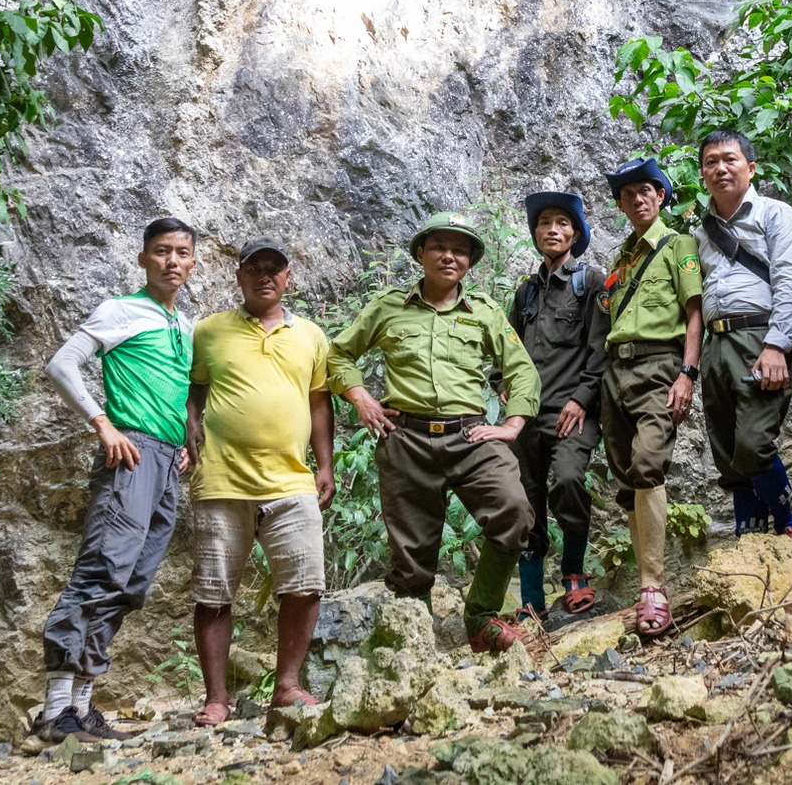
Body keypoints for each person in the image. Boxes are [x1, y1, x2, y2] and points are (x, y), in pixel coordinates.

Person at [327, 211, 543, 653]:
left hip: (471, 437)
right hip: (406, 439)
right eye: (440, 247)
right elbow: (338, 355)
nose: (450, 256)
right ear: (421, 254)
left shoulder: (482, 311)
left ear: (470, 261)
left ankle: (481, 617)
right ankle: (417, 645)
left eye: (460, 250)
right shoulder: (388, 307)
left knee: (514, 511)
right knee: (412, 555)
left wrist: (512, 425)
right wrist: (362, 399)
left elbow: (522, 371)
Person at [37, 218, 201, 743]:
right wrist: (103, 424)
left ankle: (83, 706)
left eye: (181, 253)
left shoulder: (185, 325)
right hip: (129, 451)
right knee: (101, 570)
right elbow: (62, 364)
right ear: (142, 259)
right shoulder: (120, 310)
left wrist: (183, 445)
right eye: (160, 251)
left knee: (132, 584)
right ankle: (54, 708)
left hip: (166, 462)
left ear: (193, 263)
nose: (171, 261)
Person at [183, 239, 335, 726]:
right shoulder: (208, 331)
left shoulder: (311, 335)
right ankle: (217, 699)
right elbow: (193, 391)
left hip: (291, 480)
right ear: (238, 276)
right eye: (255, 268)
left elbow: (318, 402)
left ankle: (287, 686)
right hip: (222, 480)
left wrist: (325, 465)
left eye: (275, 269)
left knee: (306, 585)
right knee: (213, 593)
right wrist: (191, 433)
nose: (265, 276)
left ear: (288, 277)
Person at [693, 130, 792, 549]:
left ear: (751, 167)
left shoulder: (775, 214)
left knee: (753, 443)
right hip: (716, 344)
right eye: (711, 161)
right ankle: (750, 535)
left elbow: (791, 279)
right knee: (727, 451)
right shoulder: (699, 233)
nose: (720, 168)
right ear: (703, 173)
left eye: (729, 159)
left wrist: (778, 344)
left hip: (759, 336)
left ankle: (788, 523)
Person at [598, 157, 702, 638]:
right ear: (620, 204)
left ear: (660, 196)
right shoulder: (621, 260)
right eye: (628, 194)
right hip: (615, 370)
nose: (638, 199)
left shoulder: (678, 245)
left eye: (647, 190)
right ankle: (646, 584)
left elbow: (694, 310)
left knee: (647, 463)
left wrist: (687, 372)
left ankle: (654, 588)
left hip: (659, 366)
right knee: (625, 480)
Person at [505, 191, 607, 624]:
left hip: (573, 411)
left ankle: (573, 572)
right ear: (535, 233)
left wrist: (582, 398)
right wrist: (505, 391)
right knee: (524, 500)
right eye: (544, 222)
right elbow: (506, 349)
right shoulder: (526, 293)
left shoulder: (590, 283)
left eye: (562, 223)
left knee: (567, 480)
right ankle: (531, 598)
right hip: (525, 416)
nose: (552, 229)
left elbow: (602, 349)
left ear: (576, 234)